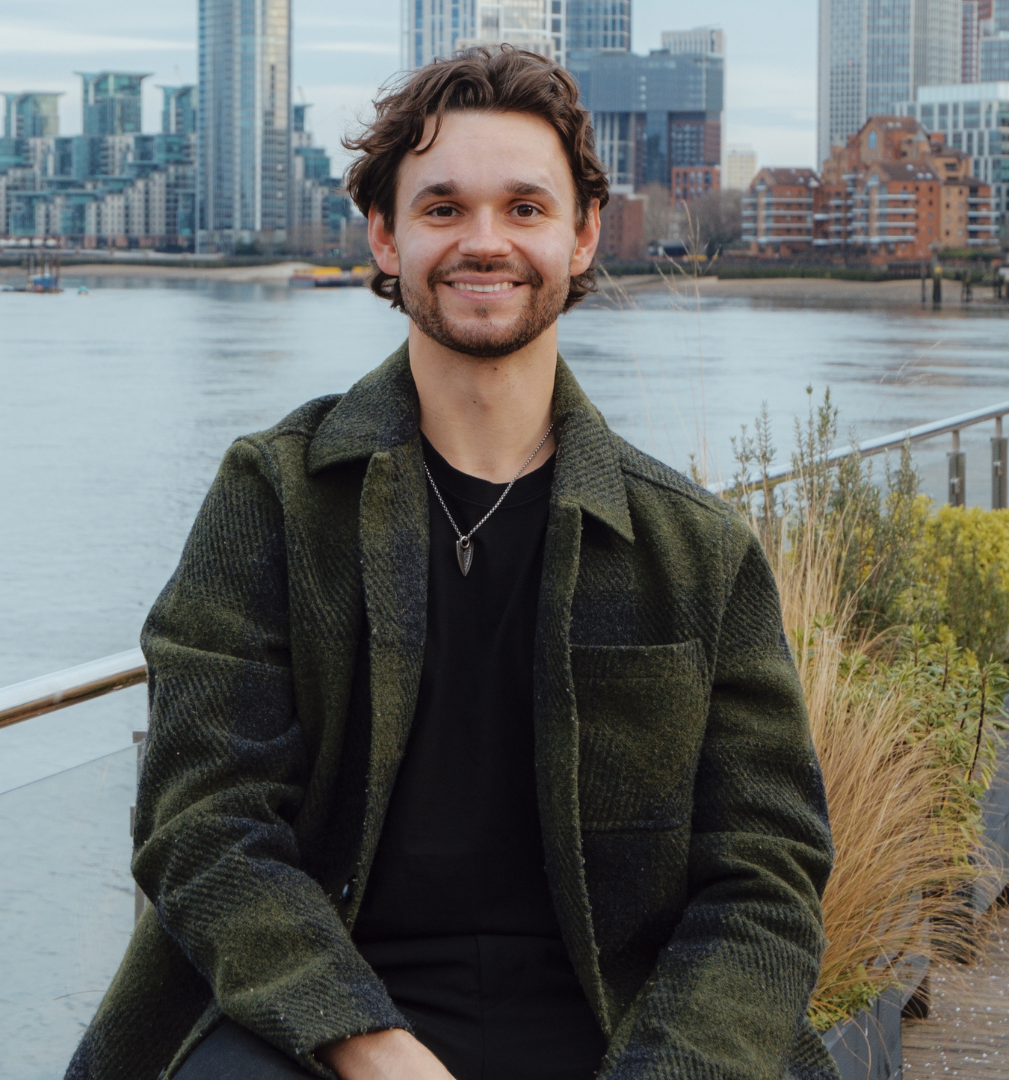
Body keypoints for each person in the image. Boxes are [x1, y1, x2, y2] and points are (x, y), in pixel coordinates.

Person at [66, 47, 836, 1080]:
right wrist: (367, 1045)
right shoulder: (274, 499)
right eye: (443, 208)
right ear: (384, 236)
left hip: (621, 1029)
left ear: (583, 233)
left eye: (525, 207)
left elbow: (765, 876)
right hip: (321, 1023)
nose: (485, 242)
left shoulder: (696, 548)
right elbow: (202, 822)